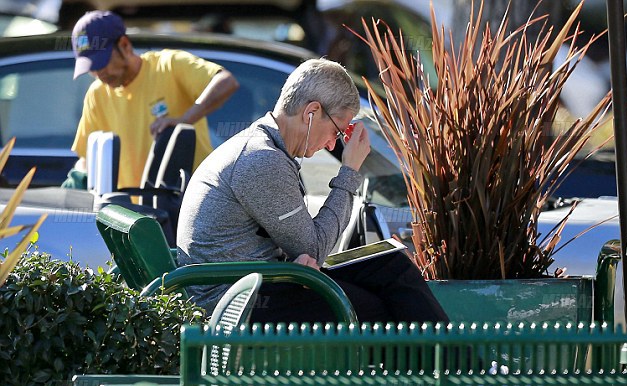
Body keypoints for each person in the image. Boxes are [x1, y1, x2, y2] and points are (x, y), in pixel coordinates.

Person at [177, 58, 449, 328]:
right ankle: (457, 366)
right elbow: (314, 249)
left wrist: (298, 258)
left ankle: (460, 364)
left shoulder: (264, 148)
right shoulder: (262, 159)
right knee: (379, 310)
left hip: (253, 285)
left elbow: (306, 249)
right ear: (311, 112)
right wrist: (350, 170)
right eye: (336, 131)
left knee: (391, 266)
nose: (333, 143)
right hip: (234, 305)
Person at [67, 10, 239, 189]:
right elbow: (86, 158)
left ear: (124, 45)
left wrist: (184, 121)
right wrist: (78, 179)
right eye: (90, 68)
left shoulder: (169, 65)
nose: (98, 74)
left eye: (101, 63)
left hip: (192, 203)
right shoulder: (96, 95)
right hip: (132, 213)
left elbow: (226, 82)